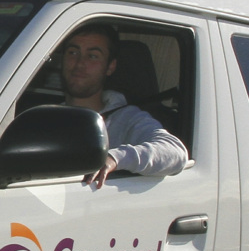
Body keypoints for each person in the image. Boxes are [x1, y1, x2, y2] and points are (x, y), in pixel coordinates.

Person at [58, 24, 189, 189]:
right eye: (73, 52)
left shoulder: (127, 118)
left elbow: (175, 152)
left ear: (110, 67)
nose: (79, 63)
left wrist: (115, 158)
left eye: (92, 56)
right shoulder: (45, 117)